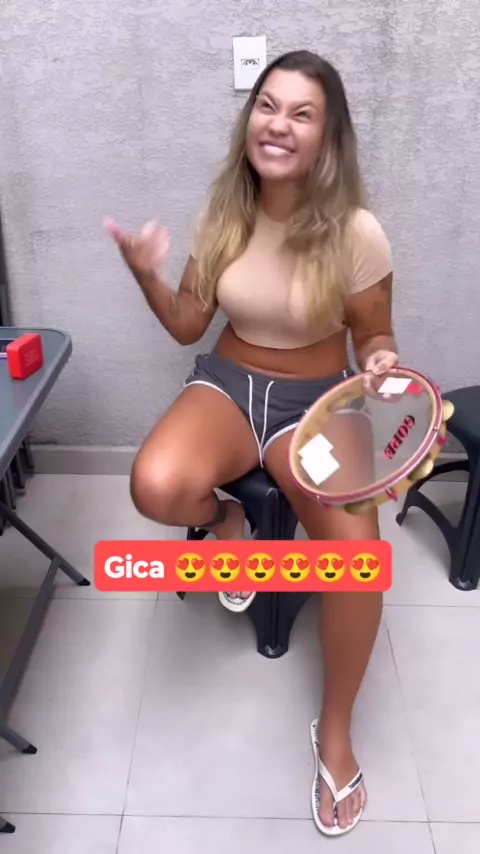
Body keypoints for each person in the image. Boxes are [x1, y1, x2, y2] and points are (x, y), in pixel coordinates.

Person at [105, 49, 398, 838]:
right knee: (155, 484)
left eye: (302, 113)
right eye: (267, 105)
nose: (278, 124)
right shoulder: (224, 215)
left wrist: (379, 360)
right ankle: (229, 525)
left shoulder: (357, 232)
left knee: (359, 562)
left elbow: (374, 332)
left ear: (327, 136)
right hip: (230, 388)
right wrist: (146, 276)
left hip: (317, 408)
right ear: (249, 120)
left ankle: (336, 735)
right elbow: (188, 325)